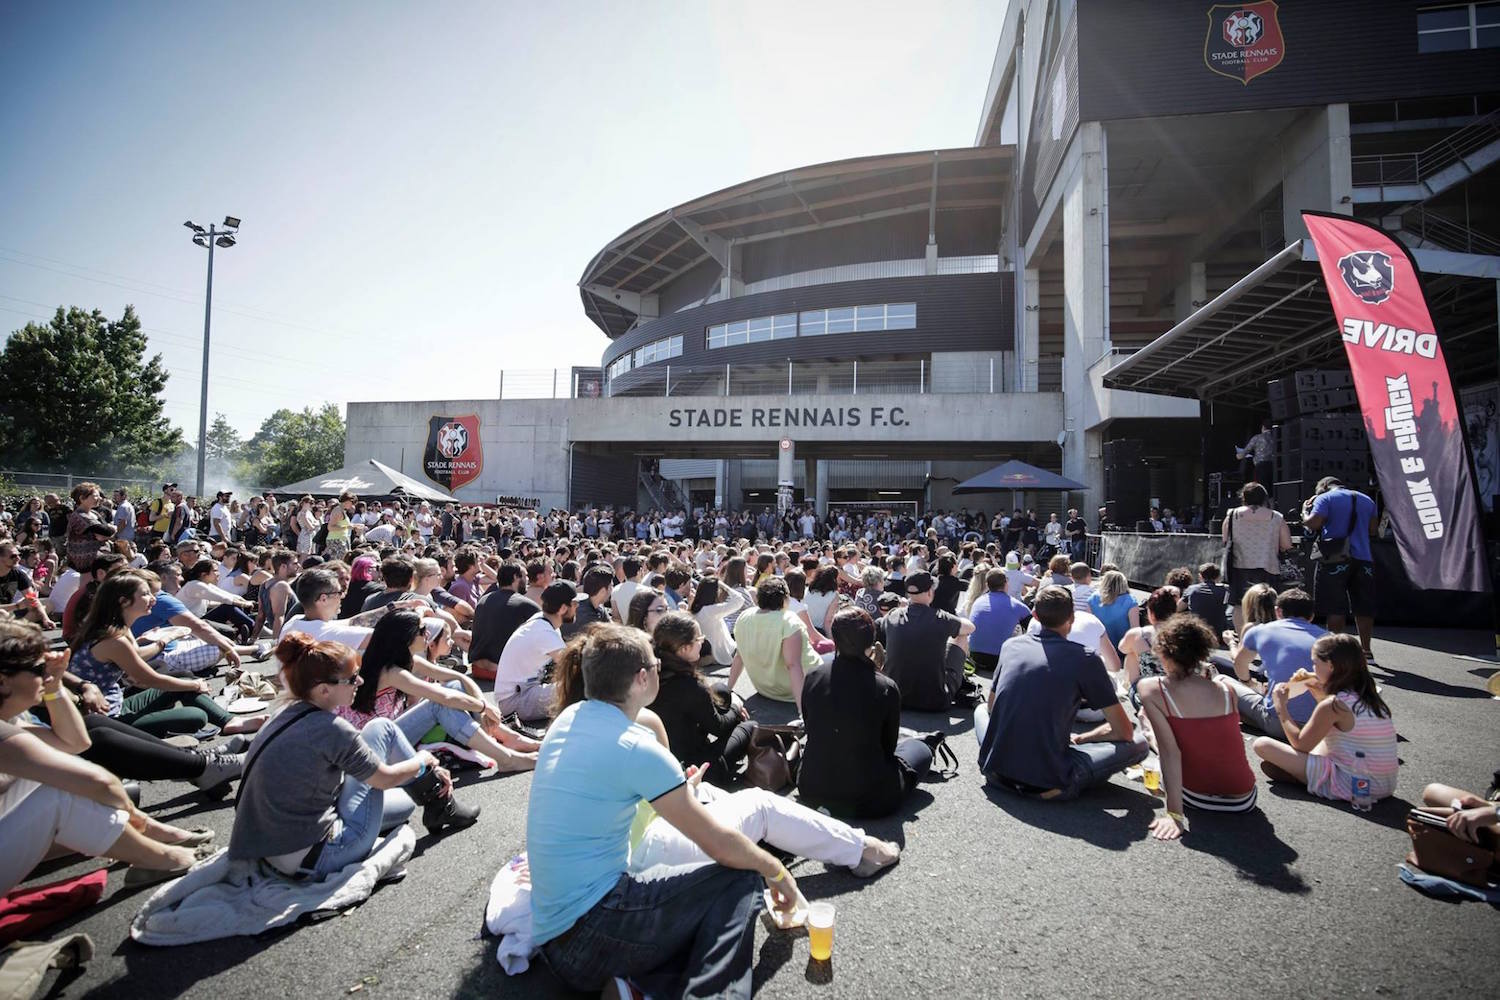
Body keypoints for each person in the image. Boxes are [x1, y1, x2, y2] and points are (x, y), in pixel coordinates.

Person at [526, 624, 799, 999]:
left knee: (695, 902)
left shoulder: (566, 722)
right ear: (641, 678)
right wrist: (774, 869)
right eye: (655, 664)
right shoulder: (635, 745)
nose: (659, 668)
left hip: (553, 939)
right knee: (741, 880)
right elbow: (717, 842)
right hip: (595, 934)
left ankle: (641, 987)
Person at [228, 633, 479, 880]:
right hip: (317, 855)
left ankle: (436, 799)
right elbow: (383, 779)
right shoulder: (331, 727)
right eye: (351, 679)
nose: (360, 683)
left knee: (401, 797)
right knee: (391, 753)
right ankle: (440, 801)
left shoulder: (283, 713)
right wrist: (422, 762)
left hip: (268, 849)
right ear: (324, 690)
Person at [1, 620, 206, 894]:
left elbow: (75, 743)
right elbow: (98, 782)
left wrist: (54, 686)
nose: (47, 674)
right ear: (2, 681)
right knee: (64, 793)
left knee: (65, 780)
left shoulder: (10, 717)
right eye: (40, 670)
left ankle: (154, 850)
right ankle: (161, 857)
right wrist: (138, 820)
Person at [976, 586, 1147, 799]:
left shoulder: (1011, 646)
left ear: (1035, 616)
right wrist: (1084, 738)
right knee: (1139, 743)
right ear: (1072, 617)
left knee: (981, 709)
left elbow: (993, 708)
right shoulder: (1085, 659)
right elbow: (1124, 732)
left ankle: (1010, 753)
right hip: (1049, 782)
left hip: (997, 772)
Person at [67, 574, 261, 738]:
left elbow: (136, 656)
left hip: (116, 703)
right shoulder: (113, 638)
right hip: (108, 720)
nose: (153, 598)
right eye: (145, 594)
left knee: (183, 675)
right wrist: (195, 684)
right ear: (124, 601)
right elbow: (149, 678)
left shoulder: (116, 627)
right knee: (195, 716)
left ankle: (229, 721)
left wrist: (164, 639)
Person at [339, 611, 538, 770]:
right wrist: (483, 706)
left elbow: (457, 677)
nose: (427, 633)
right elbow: (442, 697)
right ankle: (507, 758)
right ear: (405, 637)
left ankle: (505, 739)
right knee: (440, 704)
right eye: (422, 629)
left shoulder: (407, 661)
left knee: (454, 686)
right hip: (374, 748)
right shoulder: (391, 671)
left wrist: (483, 707)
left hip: (388, 733)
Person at [799, 608, 936, 818]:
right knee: (921, 750)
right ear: (870, 641)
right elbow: (888, 747)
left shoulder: (813, 675)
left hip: (812, 787)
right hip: (870, 798)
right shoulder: (886, 687)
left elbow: (810, 726)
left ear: (834, 637)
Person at [1136, 616, 1257, 840]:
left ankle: (1147, 732)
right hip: (1244, 797)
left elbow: (1170, 752)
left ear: (1164, 653)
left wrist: (1174, 815)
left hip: (1197, 796)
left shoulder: (1151, 689)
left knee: (1157, 749)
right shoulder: (1226, 689)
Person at [1252, 634, 1398, 804]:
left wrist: (1281, 707)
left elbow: (1301, 744)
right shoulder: (1370, 696)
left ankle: (1305, 778)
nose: (1312, 668)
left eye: (1315, 663)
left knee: (1262, 745)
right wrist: (1320, 695)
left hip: (1357, 787)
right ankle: (1301, 774)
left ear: (1330, 666)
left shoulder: (1333, 704)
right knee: (1322, 742)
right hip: (1385, 784)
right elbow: (1338, 729)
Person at [647, 612, 755, 785]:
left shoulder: (652, 672)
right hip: (694, 767)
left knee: (721, 690)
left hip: (662, 757)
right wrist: (735, 706)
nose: (702, 641)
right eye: (698, 639)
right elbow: (718, 727)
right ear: (684, 649)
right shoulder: (689, 685)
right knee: (750, 726)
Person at [1225, 589, 1325, 739]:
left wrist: (1248, 682)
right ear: (1311, 616)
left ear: (1278, 611)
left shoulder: (1260, 631)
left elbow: (1240, 665)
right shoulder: (1329, 638)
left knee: (1221, 681)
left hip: (1279, 722)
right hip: (1321, 726)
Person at [1302, 476, 1379, 660]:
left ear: (1324, 487)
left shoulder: (1325, 498)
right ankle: (1366, 650)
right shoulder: (1366, 499)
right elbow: (1373, 529)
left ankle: (1334, 651)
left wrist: (1305, 512)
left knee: (1335, 606)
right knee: (1363, 606)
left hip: (1334, 558)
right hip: (1363, 559)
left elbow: (1314, 523)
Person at [879, 572, 973, 712]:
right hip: (935, 701)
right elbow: (971, 627)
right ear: (930, 592)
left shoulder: (892, 615)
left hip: (896, 696)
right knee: (961, 636)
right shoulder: (941, 617)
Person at [727, 577, 820, 709]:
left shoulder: (744, 617)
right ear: (784, 598)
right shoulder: (789, 621)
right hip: (801, 688)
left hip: (765, 689)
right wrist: (802, 710)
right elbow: (793, 665)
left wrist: (728, 688)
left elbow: (739, 656)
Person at [493, 581, 575, 721]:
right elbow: (573, 665)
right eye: (574, 604)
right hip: (516, 700)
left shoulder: (542, 621)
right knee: (578, 689)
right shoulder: (543, 631)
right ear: (562, 608)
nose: (577, 607)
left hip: (520, 693)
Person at [1222, 482, 1291, 632]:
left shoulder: (1232, 515)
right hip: (1268, 565)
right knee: (1269, 604)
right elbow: (1286, 544)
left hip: (1240, 565)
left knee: (1239, 604)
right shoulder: (1276, 516)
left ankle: (1243, 640)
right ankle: (1268, 639)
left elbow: (1225, 540)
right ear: (1264, 498)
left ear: (1244, 497)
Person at [469, 563, 537, 680]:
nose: (527, 580)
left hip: (477, 669)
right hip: (502, 673)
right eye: (525, 576)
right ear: (516, 577)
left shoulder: (483, 600)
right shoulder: (525, 604)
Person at [967, 568, 1030, 672]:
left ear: (987, 585)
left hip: (975, 658)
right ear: (1006, 583)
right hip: (1000, 661)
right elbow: (1033, 628)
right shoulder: (1017, 606)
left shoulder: (978, 601)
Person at [690, 578, 747, 668]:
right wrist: (724, 586)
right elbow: (739, 600)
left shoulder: (697, 608)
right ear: (713, 593)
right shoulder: (710, 610)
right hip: (724, 652)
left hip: (714, 650)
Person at [0, 540, 53, 628]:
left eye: (18, 555)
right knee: (3, 614)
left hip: (10, 612)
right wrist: (17, 606)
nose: (18, 559)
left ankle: (16, 626)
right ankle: (16, 627)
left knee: (48, 604)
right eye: (13, 556)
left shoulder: (19, 574)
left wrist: (45, 619)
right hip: (6, 611)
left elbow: (32, 599)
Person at [65, 482, 116, 572]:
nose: (100, 498)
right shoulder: (79, 516)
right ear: (82, 498)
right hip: (84, 565)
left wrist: (107, 532)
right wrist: (112, 529)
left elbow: (105, 533)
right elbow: (106, 531)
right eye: (96, 496)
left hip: (99, 559)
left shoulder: (94, 513)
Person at [1088, 570, 1139, 654]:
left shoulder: (1093, 598)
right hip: (1123, 649)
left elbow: (1088, 625)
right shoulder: (1131, 601)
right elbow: (1135, 630)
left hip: (1099, 648)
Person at [1181, 562, 1230, 641]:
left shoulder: (1192, 589)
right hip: (1218, 635)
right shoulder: (1226, 590)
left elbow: (1178, 608)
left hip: (1196, 634)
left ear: (1200, 576)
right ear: (1218, 577)